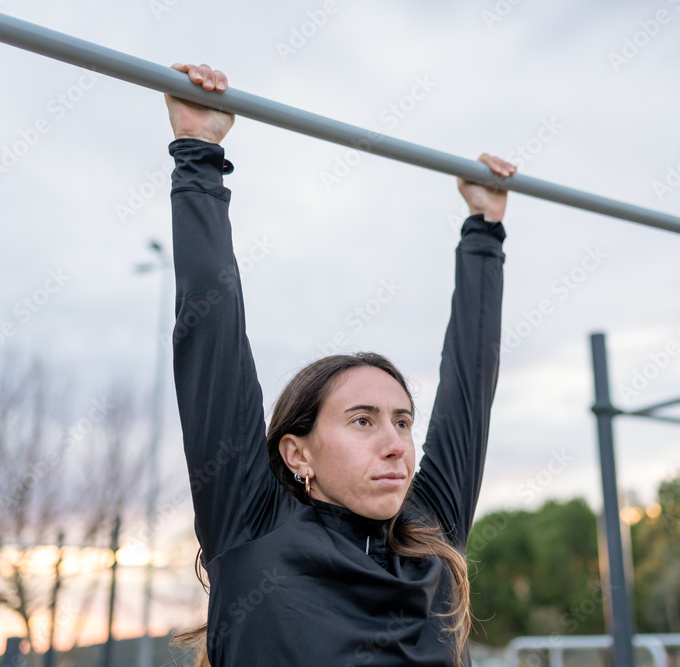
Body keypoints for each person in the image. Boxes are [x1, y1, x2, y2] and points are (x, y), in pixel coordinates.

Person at [164, 62, 515, 666]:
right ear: (297, 452)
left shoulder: (429, 540)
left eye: (403, 422)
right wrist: (198, 152)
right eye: (362, 420)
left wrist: (484, 229)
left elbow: (469, 393)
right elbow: (210, 337)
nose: (395, 443)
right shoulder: (252, 526)